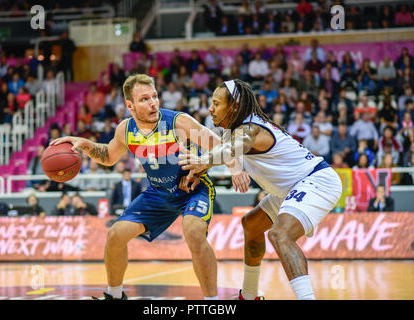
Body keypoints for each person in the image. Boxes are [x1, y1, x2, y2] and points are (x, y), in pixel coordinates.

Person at [50, 74, 249, 300]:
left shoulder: (179, 122)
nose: (153, 103)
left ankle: (213, 302)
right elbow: (108, 156)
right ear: (130, 105)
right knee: (115, 234)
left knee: (193, 232)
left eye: (154, 96)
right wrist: (85, 144)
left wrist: (234, 169)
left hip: (192, 188)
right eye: (144, 99)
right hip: (158, 193)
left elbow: (221, 146)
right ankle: (115, 295)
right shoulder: (126, 130)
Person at [178, 79, 342, 300]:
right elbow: (227, 150)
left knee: (280, 234)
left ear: (234, 106)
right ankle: (249, 295)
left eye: (216, 104)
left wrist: (203, 161)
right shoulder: (231, 130)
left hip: (316, 180)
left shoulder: (250, 128)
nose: (210, 109)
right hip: (288, 189)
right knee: (251, 225)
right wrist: (196, 173)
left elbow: (231, 150)